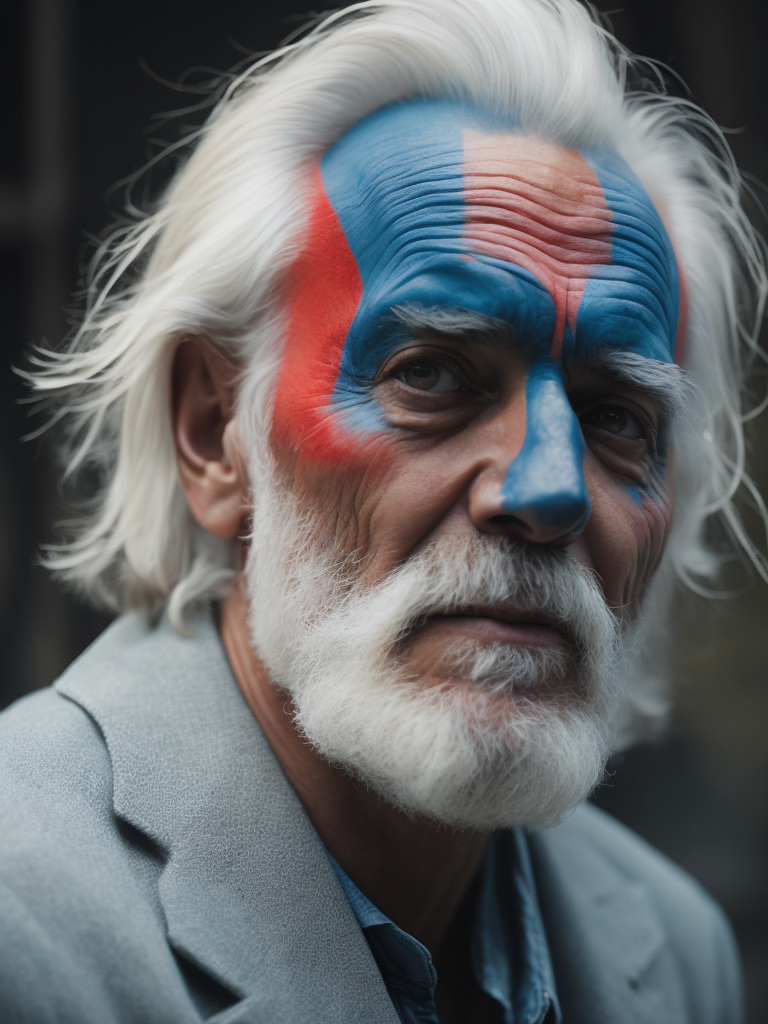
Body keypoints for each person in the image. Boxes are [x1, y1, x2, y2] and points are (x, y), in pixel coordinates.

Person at [1, 0, 764, 1021]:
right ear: (213, 430)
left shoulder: (678, 952)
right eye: (434, 374)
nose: (548, 488)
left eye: (617, 417)